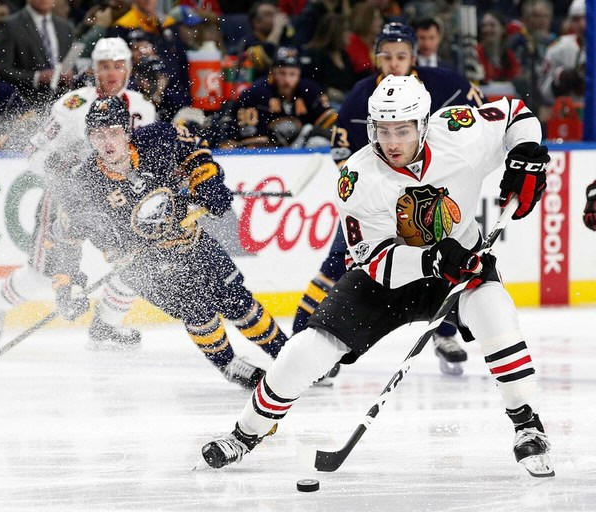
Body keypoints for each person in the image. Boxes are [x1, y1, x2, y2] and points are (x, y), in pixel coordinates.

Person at [201, 74, 554, 479]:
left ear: (424, 124)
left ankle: (528, 426)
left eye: (402, 130)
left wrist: (525, 154)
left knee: (497, 317)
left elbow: (515, 114)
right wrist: (432, 259)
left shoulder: (459, 131)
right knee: (307, 350)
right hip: (389, 276)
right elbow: (373, 259)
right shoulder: (357, 177)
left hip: (462, 264)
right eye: (383, 130)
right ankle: (245, 433)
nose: (392, 142)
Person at [46, 96, 289, 388]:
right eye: (98, 135)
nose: (107, 142)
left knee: (237, 301)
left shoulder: (156, 139)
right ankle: (229, 364)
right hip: (143, 266)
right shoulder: (85, 186)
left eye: (113, 132)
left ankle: (289, 355)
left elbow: (194, 147)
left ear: (127, 130)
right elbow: (64, 242)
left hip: (190, 240)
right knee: (197, 309)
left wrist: (206, 181)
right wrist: (66, 287)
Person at [292, 23, 484, 376]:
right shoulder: (362, 94)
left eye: (401, 56)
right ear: (377, 57)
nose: (394, 63)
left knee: (442, 264)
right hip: (376, 204)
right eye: (387, 56)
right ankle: (302, 340)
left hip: (428, 204)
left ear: (414, 56)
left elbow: (480, 121)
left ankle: (443, 334)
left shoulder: (443, 83)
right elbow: (341, 150)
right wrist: (371, 187)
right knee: (338, 263)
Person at [0, 37, 156, 350]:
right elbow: (33, 151)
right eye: (105, 66)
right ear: (93, 69)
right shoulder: (71, 106)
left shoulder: (142, 107)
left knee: (138, 261)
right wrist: (56, 169)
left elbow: (148, 157)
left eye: (119, 65)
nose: (112, 73)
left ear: (129, 69)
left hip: (118, 198)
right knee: (42, 276)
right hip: (66, 200)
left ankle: (106, 326)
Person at [219, 46, 337, 148]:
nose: (287, 80)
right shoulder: (256, 93)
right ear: (273, 73)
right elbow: (249, 142)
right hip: (267, 152)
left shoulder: (310, 90)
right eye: (282, 73)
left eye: (292, 74)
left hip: (300, 148)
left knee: (318, 141)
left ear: (299, 74)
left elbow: (332, 126)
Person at [0, 0, 74, 106]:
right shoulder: (10, 25)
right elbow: (2, 69)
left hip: (62, 101)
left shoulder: (65, 26)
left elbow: (71, 62)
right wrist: (36, 77)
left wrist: (69, 73)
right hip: (25, 102)